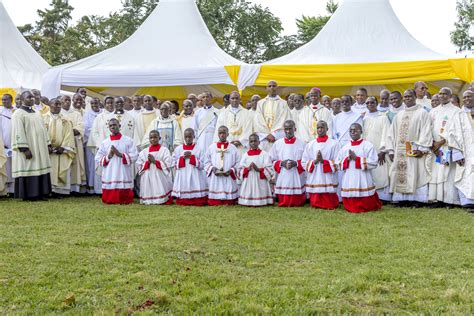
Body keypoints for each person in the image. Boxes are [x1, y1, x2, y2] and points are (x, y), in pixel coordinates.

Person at [385, 89, 433, 206]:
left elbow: (426, 131)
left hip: (415, 150)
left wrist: (421, 149)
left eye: (409, 96)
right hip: (399, 151)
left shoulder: (422, 113)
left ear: (415, 97)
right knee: (400, 173)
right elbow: (391, 133)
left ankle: (416, 199)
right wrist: (391, 149)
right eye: (405, 97)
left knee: (415, 173)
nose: (407, 99)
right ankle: (401, 199)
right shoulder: (399, 114)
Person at [429, 87, 473, 207]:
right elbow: (428, 128)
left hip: (448, 147)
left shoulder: (456, 111)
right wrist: (432, 143)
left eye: (445, 94)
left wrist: (442, 141)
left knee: (448, 174)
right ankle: (436, 199)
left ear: (450, 96)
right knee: (436, 173)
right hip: (434, 149)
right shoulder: (433, 111)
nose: (442, 96)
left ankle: (449, 200)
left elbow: (456, 131)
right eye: (440, 94)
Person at [11, 91, 52, 201]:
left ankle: (41, 193)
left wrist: (48, 143)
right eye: (29, 97)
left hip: (40, 147)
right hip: (29, 147)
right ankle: (30, 195)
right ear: (22, 99)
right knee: (29, 168)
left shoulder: (37, 112)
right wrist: (24, 149)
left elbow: (43, 129)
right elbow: (17, 131)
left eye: (32, 97)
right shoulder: (18, 114)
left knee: (40, 168)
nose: (32, 99)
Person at [337, 123, 382, 213]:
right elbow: (337, 163)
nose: (353, 132)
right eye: (351, 131)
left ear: (361, 131)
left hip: (363, 176)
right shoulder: (345, 147)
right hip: (349, 176)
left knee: (366, 199)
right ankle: (350, 205)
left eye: (355, 130)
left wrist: (357, 159)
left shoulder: (368, 145)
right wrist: (347, 159)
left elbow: (374, 162)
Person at [95, 119, 138, 204]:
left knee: (124, 196)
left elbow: (135, 155)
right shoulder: (105, 142)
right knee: (110, 196)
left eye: (114, 125)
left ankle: (125, 199)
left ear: (120, 126)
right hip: (110, 171)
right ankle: (110, 199)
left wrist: (120, 154)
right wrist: (108, 156)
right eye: (110, 126)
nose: (113, 127)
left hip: (123, 170)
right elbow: (98, 158)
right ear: (108, 128)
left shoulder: (128, 140)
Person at [302, 121, 340, 209]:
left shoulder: (334, 144)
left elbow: (338, 161)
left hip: (328, 176)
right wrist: (315, 161)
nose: (320, 129)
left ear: (327, 129)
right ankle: (315, 203)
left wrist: (324, 162)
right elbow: (304, 161)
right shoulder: (310, 144)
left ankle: (329, 204)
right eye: (318, 128)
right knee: (316, 198)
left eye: (322, 127)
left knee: (329, 201)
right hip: (315, 174)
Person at [43, 98, 76, 196]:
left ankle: (60, 191)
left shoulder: (65, 120)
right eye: (55, 104)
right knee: (48, 170)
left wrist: (63, 147)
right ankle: (47, 190)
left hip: (61, 150)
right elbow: (41, 133)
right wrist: (47, 145)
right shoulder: (43, 118)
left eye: (59, 104)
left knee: (62, 169)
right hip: (47, 150)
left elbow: (69, 134)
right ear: (49, 104)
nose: (57, 106)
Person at [271, 120, 306, 207]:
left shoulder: (302, 143)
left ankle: (298, 201)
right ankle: (283, 200)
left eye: (290, 129)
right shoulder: (277, 143)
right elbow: (271, 160)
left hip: (296, 174)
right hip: (283, 173)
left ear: (295, 129)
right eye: (286, 129)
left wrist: (296, 164)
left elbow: (306, 160)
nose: (288, 131)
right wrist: (281, 163)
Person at [363, 96, 392, 202]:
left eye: (372, 102)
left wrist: (383, 151)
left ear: (376, 103)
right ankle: (371, 195)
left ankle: (383, 197)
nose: (370, 104)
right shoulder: (365, 118)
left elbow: (386, 133)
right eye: (367, 103)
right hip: (367, 150)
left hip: (379, 151)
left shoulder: (383, 117)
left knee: (381, 172)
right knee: (371, 173)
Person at [204, 126, 240, 206]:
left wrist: (231, 170)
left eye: (224, 133)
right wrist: (212, 168)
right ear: (217, 134)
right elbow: (206, 161)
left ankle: (229, 200)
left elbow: (238, 162)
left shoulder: (233, 148)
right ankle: (215, 200)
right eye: (220, 133)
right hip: (215, 176)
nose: (222, 135)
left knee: (229, 194)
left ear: (227, 134)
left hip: (228, 175)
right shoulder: (212, 147)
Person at [172, 128, 208, 206]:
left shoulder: (199, 149)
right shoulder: (178, 149)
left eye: (190, 137)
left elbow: (203, 164)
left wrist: (192, 158)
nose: (188, 139)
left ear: (193, 137)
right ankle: (184, 199)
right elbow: (173, 163)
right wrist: (182, 158)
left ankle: (197, 198)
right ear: (184, 137)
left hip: (196, 175)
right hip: (183, 174)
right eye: (186, 137)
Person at [136, 130, 173, 205]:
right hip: (148, 176)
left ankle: (161, 198)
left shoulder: (164, 150)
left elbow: (168, 164)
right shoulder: (143, 152)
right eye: (151, 137)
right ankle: (149, 199)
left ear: (159, 138)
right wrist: (147, 163)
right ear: (149, 139)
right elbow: (139, 165)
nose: (153, 139)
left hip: (160, 176)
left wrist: (155, 161)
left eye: (155, 137)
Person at [238, 133, 274, 207]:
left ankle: (262, 200)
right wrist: (247, 169)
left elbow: (270, 169)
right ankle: (248, 201)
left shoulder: (264, 154)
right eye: (251, 141)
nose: (253, 143)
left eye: (255, 141)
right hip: (249, 179)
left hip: (260, 179)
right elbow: (240, 169)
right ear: (249, 143)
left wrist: (259, 169)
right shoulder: (245, 155)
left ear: (259, 142)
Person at [253, 81, 290, 151]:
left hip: (278, 138)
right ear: (266, 88)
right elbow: (258, 121)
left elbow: (285, 119)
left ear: (277, 88)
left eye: (274, 86)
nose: (272, 88)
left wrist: (275, 135)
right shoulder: (260, 103)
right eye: (269, 86)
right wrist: (266, 135)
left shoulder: (283, 103)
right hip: (264, 139)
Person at [61, 94, 86, 193]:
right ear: (61, 102)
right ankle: (63, 187)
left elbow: (81, 127)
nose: (67, 102)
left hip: (75, 143)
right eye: (65, 100)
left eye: (68, 100)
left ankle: (75, 188)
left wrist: (69, 132)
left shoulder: (76, 114)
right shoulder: (59, 114)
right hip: (63, 144)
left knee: (76, 165)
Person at [0, 93, 14, 194]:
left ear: (11, 100)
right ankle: (5, 188)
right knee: (5, 164)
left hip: (14, 142)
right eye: (2, 100)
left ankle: (13, 189)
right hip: (3, 142)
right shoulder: (0, 111)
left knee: (13, 164)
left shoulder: (16, 111)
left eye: (6, 100)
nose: (4, 101)